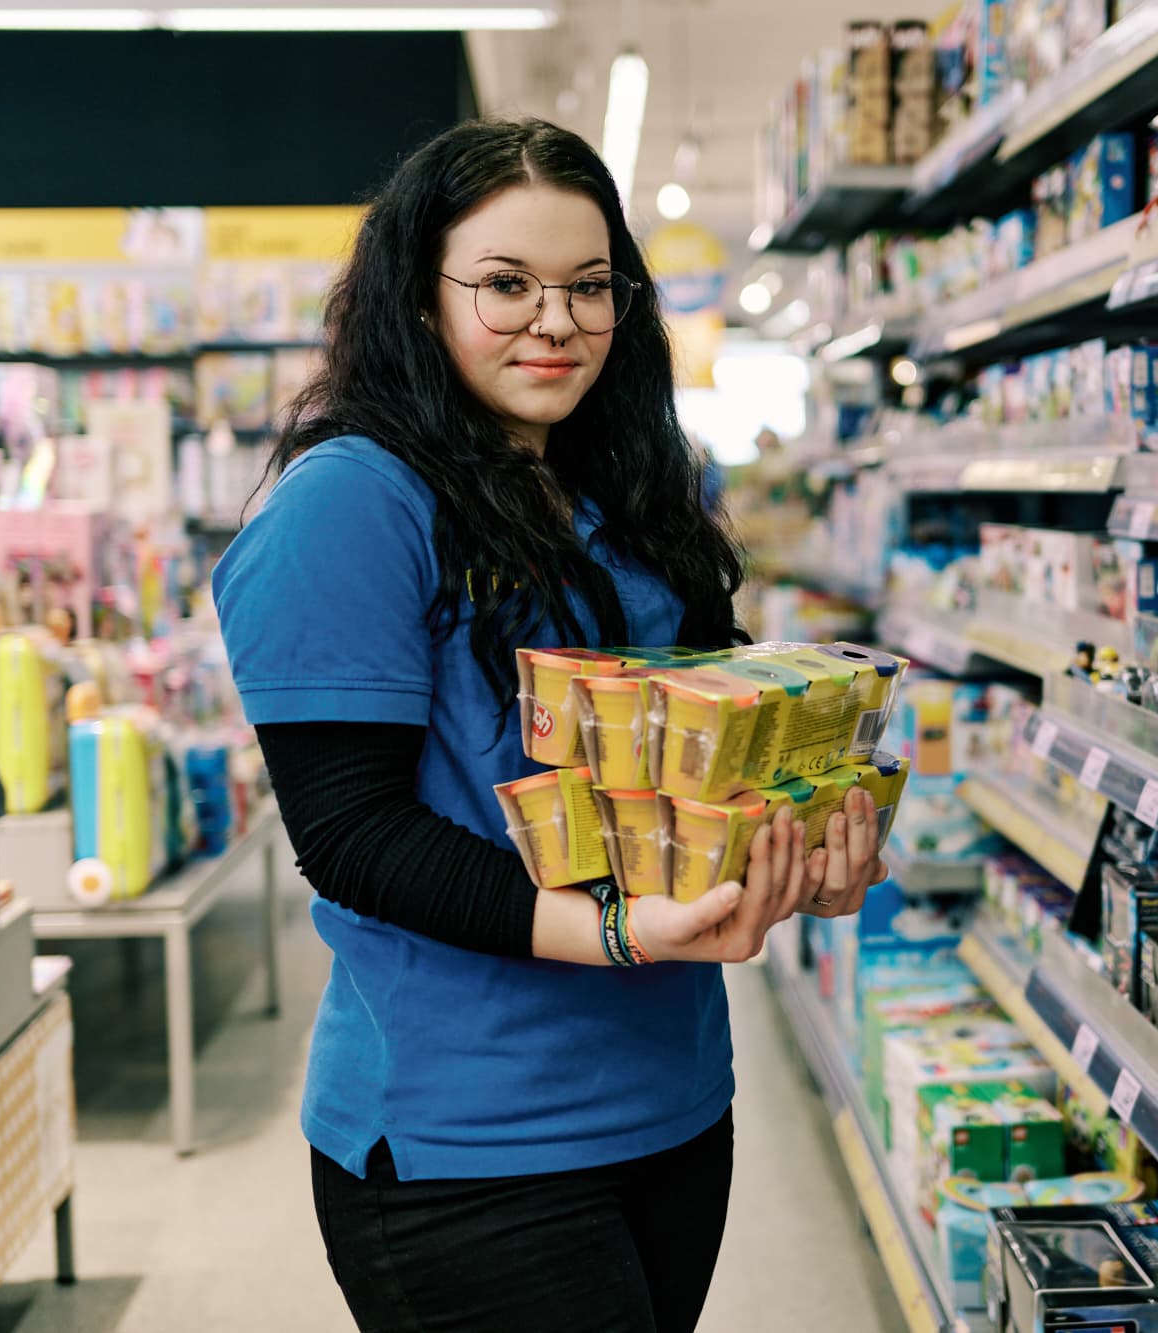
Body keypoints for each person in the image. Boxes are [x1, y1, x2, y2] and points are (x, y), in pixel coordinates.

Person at [212, 118, 886, 1333]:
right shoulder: (350, 505)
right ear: (419, 300)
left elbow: (714, 745)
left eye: (589, 287)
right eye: (505, 285)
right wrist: (622, 931)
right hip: (467, 1138)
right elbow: (353, 836)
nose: (555, 321)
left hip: (673, 1100)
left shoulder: (631, 486)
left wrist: (803, 853)